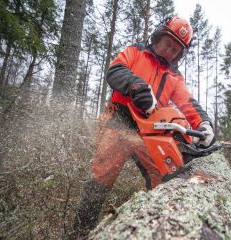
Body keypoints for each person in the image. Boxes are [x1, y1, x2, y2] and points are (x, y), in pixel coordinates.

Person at [72, 16, 216, 237]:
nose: (170, 51)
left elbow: (188, 103)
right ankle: (80, 231)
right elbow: (115, 71)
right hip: (118, 124)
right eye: (168, 44)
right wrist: (136, 86)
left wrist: (203, 123)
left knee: (162, 178)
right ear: (158, 37)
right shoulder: (135, 52)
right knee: (101, 179)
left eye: (176, 49)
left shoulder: (174, 77)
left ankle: (157, 225)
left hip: (149, 134)